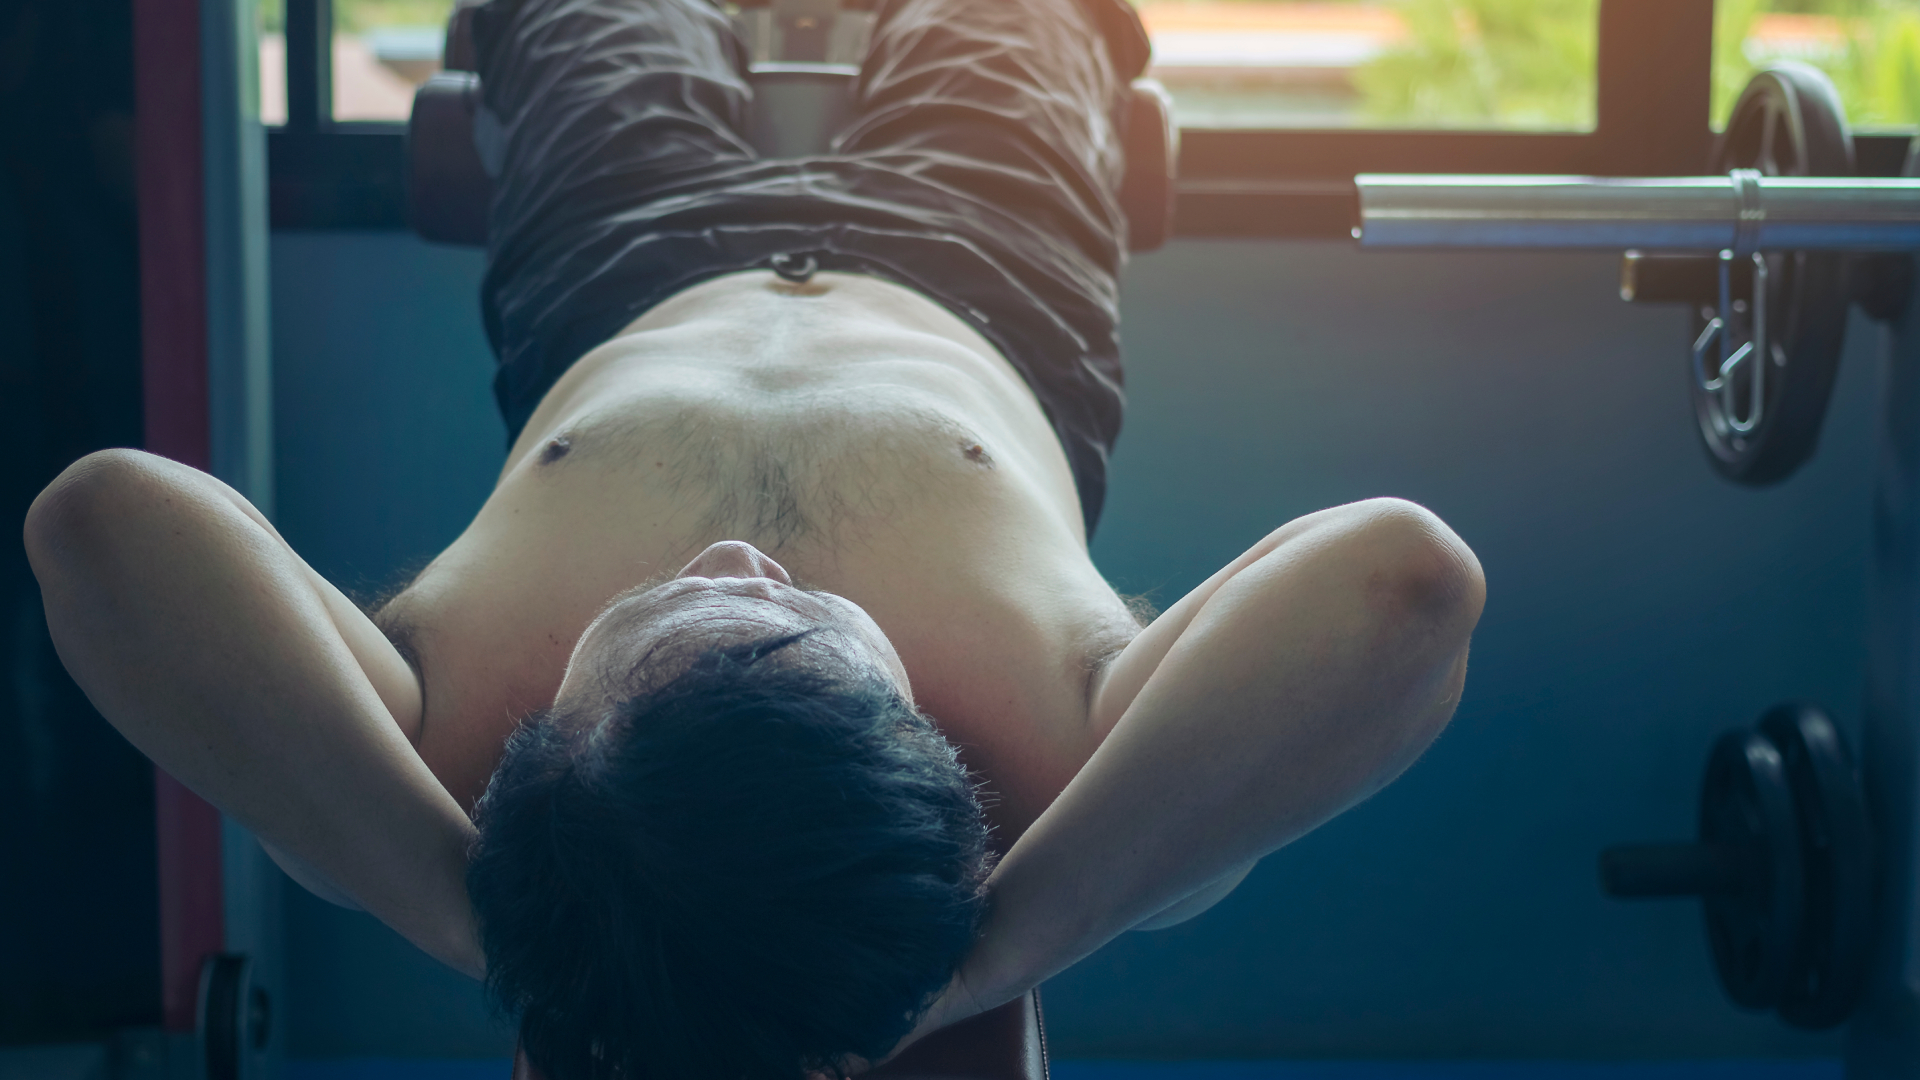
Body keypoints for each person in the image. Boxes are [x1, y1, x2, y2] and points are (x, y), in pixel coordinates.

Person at [22, 0, 1485, 1076]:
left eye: (663, 614)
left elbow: (97, 524)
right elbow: (1406, 585)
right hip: (984, 273)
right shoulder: (1058, 777)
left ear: (557, 741)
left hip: (621, 262)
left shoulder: (464, 760)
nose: (739, 560)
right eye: (799, 624)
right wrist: (1001, 949)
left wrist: (488, 921)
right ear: (925, 758)